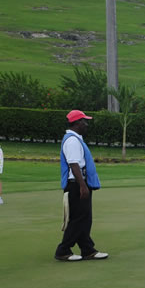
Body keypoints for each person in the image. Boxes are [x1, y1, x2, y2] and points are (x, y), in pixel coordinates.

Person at [54, 110, 109, 262]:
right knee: (79, 219)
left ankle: (87, 249)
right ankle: (63, 250)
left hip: (79, 183)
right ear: (77, 123)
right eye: (84, 121)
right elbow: (74, 164)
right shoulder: (72, 141)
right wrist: (83, 186)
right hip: (76, 184)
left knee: (85, 218)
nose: (86, 124)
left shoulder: (76, 139)